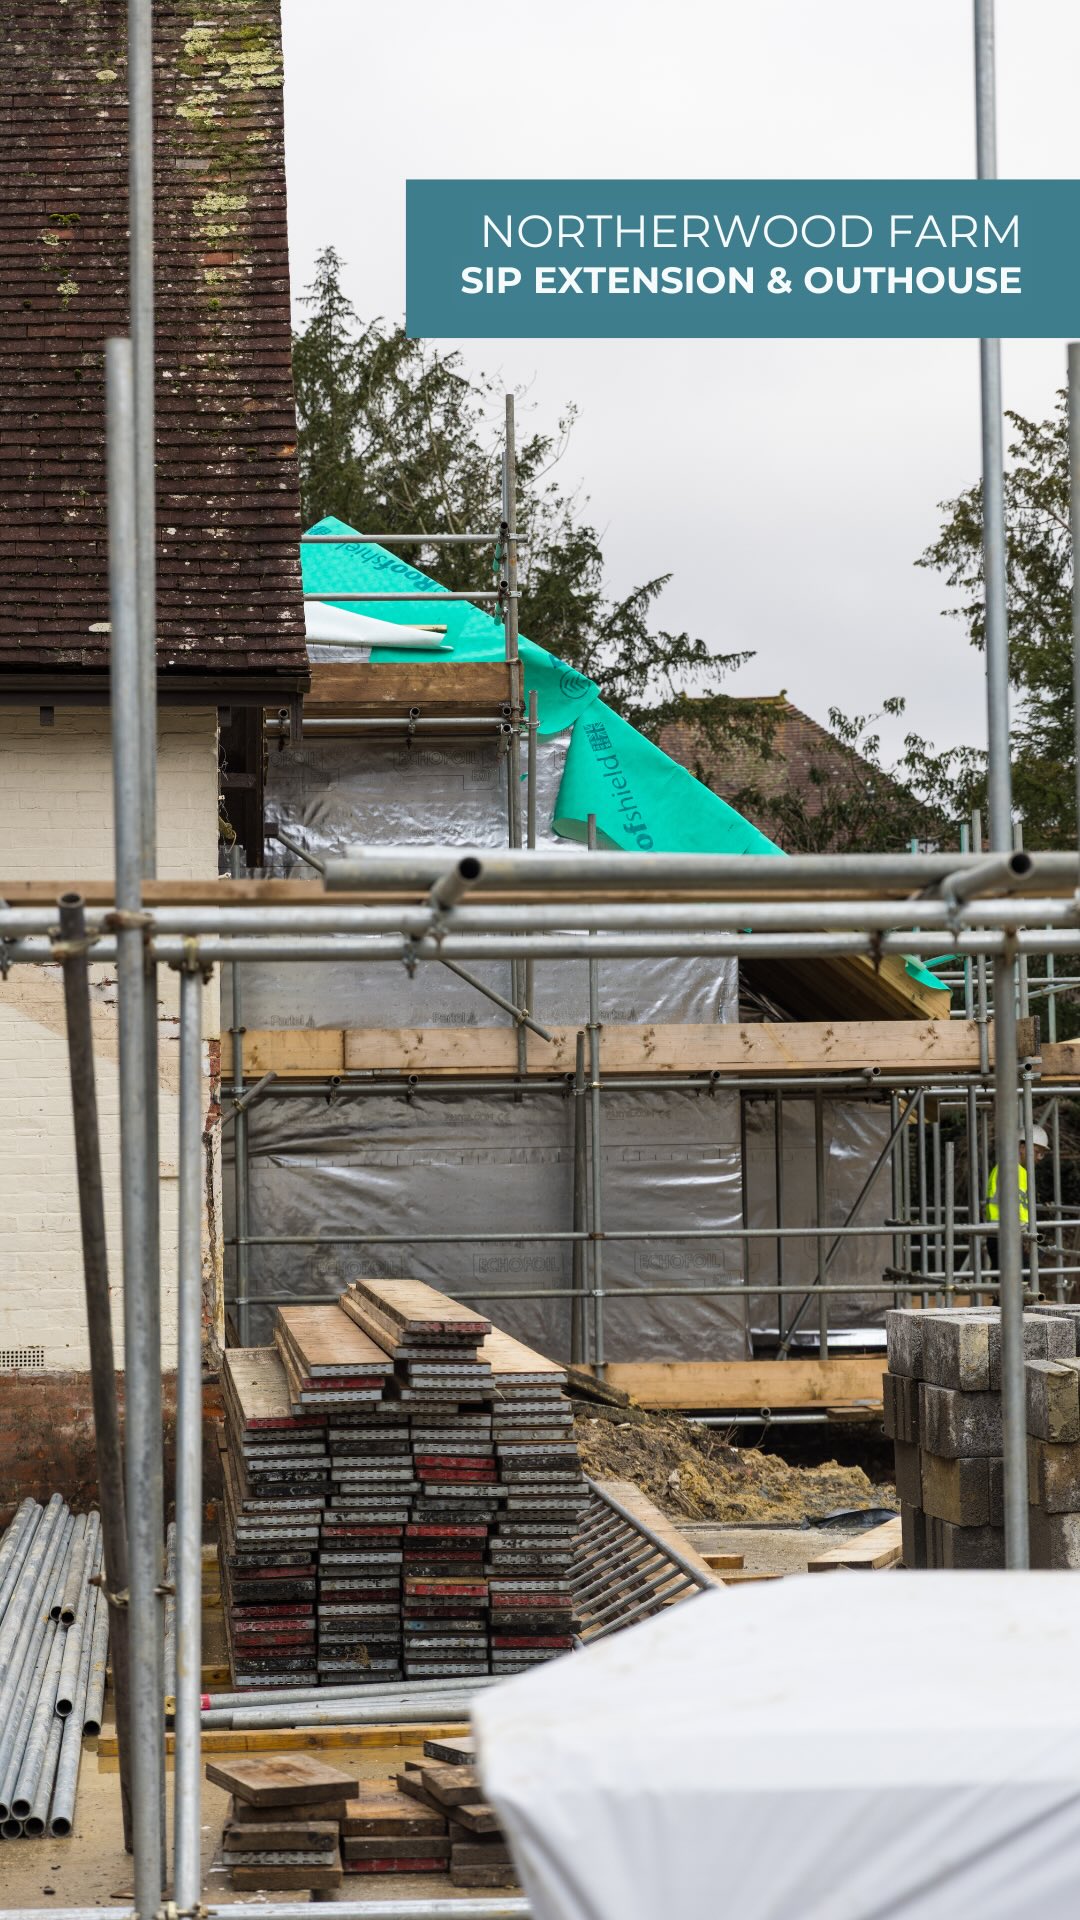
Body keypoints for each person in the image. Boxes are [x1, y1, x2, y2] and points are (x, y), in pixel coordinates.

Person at [985, 1125, 1048, 1278]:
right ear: (1022, 1147)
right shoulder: (1013, 1170)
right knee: (1018, 1286)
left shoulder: (1010, 1169)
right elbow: (1014, 1206)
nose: (1039, 1158)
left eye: (1041, 1154)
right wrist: (1024, 1234)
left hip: (1003, 1234)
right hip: (1009, 1235)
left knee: (1009, 1287)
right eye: (1037, 1152)